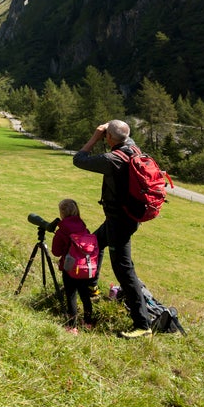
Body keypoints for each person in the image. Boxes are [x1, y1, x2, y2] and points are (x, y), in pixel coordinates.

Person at [72, 120, 152, 338]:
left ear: (109, 138)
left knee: (124, 271)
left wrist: (96, 136)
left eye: (106, 135)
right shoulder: (133, 148)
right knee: (95, 244)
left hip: (120, 222)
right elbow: (121, 132)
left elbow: (79, 159)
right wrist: (111, 130)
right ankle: (92, 289)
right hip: (126, 217)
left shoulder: (112, 160)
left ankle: (142, 325)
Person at [50, 198, 96, 334]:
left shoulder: (62, 230)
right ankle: (88, 322)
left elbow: (56, 252)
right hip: (85, 266)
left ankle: (72, 326)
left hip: (70, 267)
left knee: (71, 295)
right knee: (84, 294)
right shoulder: (83, 227)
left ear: (62, 213)